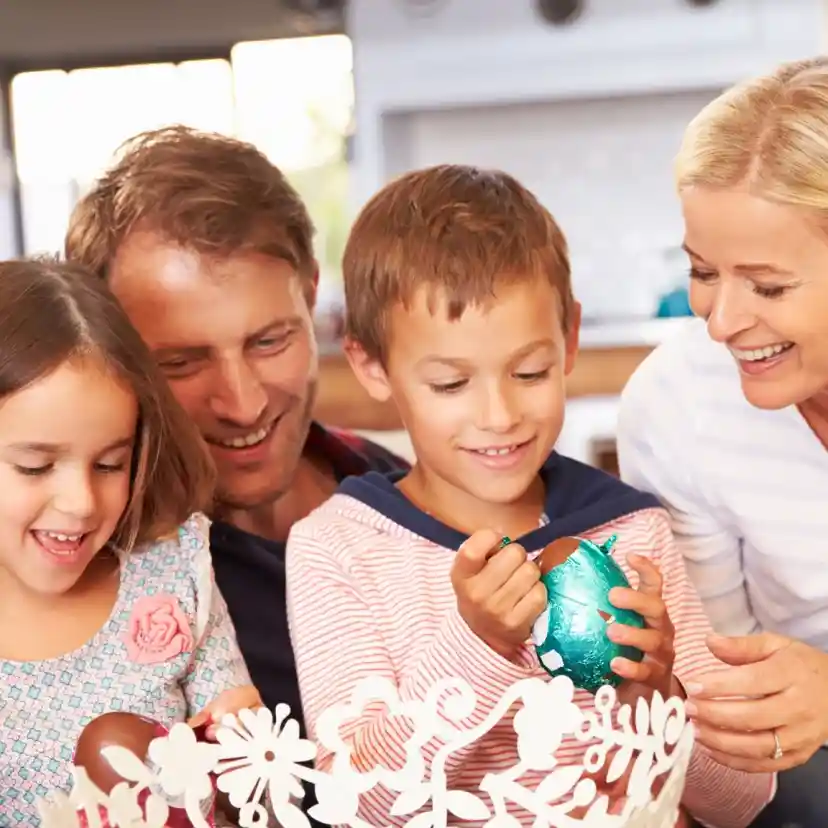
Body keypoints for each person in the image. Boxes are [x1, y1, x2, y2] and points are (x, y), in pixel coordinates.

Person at [285, 164, 774, 827]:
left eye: (530, 371)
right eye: (451, 384)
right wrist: (475, 643)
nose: (499, 414)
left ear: (569, 337)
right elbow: (358, 804)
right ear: (373, 365)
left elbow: (740, 804)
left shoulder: (632, 532)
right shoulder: (339, 549)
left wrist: (659, 691)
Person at [64, 126, 408, 733]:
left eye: (270, 341)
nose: (243, 404)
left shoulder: (404, 492)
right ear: (110, 358)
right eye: (182, 362)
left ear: (311, 298)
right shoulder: (92, 580)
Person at [616, 56, 828, 827]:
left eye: (767, 286)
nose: (722, 321)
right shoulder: (676, 402)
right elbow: (726, 677)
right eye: (704, 271)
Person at [0, 258, 258, 826]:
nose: (81, 502)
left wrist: (248, 761)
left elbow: (255, 800)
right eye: (36, 466)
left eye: (110, 463)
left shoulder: (173, 577)